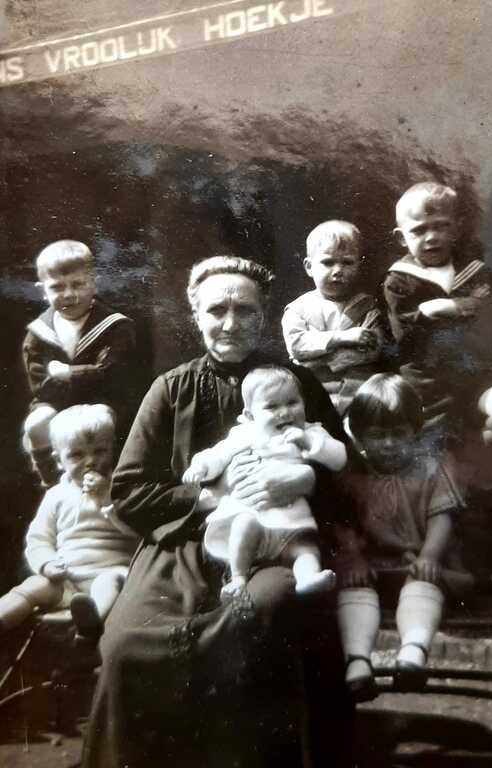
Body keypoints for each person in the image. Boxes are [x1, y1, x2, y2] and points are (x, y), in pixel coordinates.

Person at [82, 256, 356, 768]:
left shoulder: (295, 385)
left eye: (245, 311)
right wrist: (211, 495)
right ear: (195, 314)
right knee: (125, 645)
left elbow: (348, 478)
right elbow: (130, 490)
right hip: (183, 544)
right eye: (216, 310)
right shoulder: (170, 388)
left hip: (278, 541)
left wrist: (301, 479)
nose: (230, 323)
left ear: (264, 314)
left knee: (266, 616)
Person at [335, 374, 462, 702]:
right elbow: (341, 522)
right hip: (368, 566)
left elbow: (441, 517)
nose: (389, 444)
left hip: (415, 562)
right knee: (353, 587)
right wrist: (353, 557)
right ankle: (358, 659)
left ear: (415, 432)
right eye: (378, 435)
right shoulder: (353, 474)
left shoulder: (431, 468)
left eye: (399, 433)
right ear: (360, 435)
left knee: (423, 586)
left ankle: (412, 653)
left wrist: (430, 556)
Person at [184, 365, 347, 598]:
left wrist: (310, 444)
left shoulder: (311, 432)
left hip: (292, 519)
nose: (285, 413)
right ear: (250, 416)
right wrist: (201, 467)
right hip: (253, 514)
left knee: (305, 549)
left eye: (292, 403)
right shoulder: (247, 434)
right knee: (243, 525)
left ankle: (307, 577)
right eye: (272, 406)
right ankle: (238, 578)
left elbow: (339, 458)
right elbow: (218, 454)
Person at [0, 404, 137, 638]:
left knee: (108, 583)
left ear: (112, 450)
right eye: (76, 454)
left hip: (109, 572)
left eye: (99, 451)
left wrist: (106, 498)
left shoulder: (121, 488)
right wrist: (46, 563)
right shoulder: (56, 496)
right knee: (32, 587)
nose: (90, 461)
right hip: (66, 582)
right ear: (59, 460)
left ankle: (89, 627)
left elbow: (135, 531)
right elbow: (38, 539)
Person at [383, 182, 492, 441]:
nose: (431, 237)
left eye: (441, 226)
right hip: (429, 379)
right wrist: (465, 312)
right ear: (402, 238)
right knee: (437, 436)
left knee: (491, 418)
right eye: (419, 230)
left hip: (476, 370)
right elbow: (406, 336)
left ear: (456, 227)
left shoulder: (476, 271)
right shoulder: (399, 281)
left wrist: (453, 307)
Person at [22, 239, 137, 487]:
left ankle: (108, 481)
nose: (69, 294)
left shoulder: (114, 326)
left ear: (93, 283)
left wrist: (69, 373)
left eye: (78, 284)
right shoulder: (39, 333)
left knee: (103, 422)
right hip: (56, 402)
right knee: (35, 423)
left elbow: (112, 374)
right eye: (57, 287)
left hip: (102, 399)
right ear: (43, 290)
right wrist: (67, 405)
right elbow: (40, 384)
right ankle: (52, 484)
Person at [282, 220, 383, 415]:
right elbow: (296, 345)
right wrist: (342, 338)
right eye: (328, 262)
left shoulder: (368, 306)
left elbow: (372, 349)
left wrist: (318, 361)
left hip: (359, 392)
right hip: (310, 391)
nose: (337, 271)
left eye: (347, 262)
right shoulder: (297, 309)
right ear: (309, 267)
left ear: (358, 265)